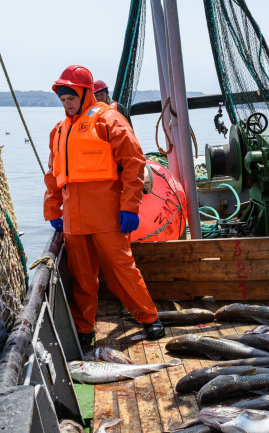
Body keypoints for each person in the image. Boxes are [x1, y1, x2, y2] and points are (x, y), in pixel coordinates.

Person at [44, 65, 164, 345]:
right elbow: (53, 175)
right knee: (82, 279)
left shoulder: (110, 120)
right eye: (63, 100)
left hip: (107, 214)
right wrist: (53, 211)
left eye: (71, 97)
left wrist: (130, 206)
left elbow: (134, 164)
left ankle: (149, 318)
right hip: (74, 220)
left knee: (122, 269)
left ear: (86, 93)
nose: (67, 103)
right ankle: (85, 330)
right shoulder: (58, 131)